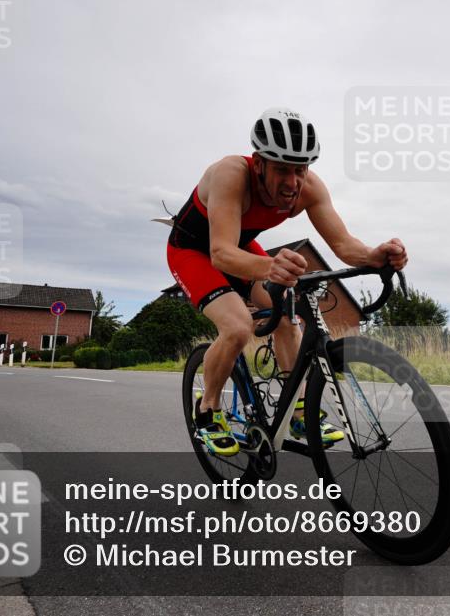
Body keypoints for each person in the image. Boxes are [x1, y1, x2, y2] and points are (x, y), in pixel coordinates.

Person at [167, 107, 408, 456]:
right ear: (259, 163)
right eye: (282, 169)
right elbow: (220, 253)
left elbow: (343, 245)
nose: (293, 182)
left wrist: (375, 255)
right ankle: (207, 409)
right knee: (237, 326)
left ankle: (297, 413)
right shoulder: (230, 175)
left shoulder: (309, 188)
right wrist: (271, 266)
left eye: (300, 169)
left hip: (239, 248)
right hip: (193, 250)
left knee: (288, 316)